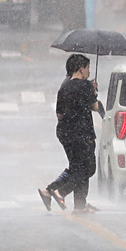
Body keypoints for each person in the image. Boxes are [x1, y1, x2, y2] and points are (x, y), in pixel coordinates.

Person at [38, 54, 100, 214]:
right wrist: (93, 91)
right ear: (81, 68)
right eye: (87, 68)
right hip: (82, 133)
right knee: (88, 168)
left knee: (77, 168)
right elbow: (94, 106)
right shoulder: (85, 86)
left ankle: (66, 199)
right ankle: (61, 192)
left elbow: (59, 114)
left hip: (65, 132)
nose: (88, 72)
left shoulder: (64, 86)